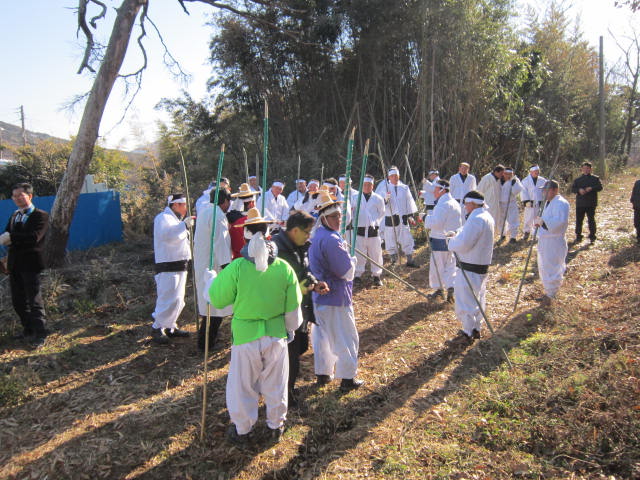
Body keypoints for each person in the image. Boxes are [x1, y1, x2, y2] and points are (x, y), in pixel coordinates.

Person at [208, 207, 302, 444]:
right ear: (268, 233)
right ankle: (275, 426)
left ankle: (242, 429)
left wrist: (210, 281)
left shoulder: (237, 268)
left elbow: (217, 299)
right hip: (275, 335)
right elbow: (294, 312)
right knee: (276, 383)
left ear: (246, 234)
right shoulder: (283, 268)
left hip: (245, 336)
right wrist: (289, 329)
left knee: (242, 385)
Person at [272, 211, 330, 407]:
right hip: (284, 312)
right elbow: (280, 284)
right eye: (306, 232)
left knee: (301, 346)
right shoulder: (277, 251)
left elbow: (305, 271)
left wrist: (314, 283)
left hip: (300, 307)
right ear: (294, 230)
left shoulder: (299, 246)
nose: (308, 236)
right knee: (291, 351)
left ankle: (286, 387)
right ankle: (286, 393)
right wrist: (302, 288)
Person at [308, 191, 364, 391]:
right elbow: (346, 272)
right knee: (346, 336)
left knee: (322, 336)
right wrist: (353, 261)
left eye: (340, 215)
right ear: (324, 218)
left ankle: (323, 373)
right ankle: (347, 378)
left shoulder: (318, 236)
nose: (339, 219)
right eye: (334, 216)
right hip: (336, 296)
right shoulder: (332, 239)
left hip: (319, 296)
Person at [0, 183, 49, 347]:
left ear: (30, 196)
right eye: (14, 196)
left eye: (21, 195)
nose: (17, 199)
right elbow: (8, 233)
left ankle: (40, 333)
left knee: (34, 299)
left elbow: (34, 237)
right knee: (18, 300)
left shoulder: (40, 216)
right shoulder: (15, 215)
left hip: (30, 263)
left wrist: (12, 237)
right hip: (14, 264)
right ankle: (28, 329)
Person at [447, 190, 495, 344]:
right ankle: (476, 328)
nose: (465, 207)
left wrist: (451, 242)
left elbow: (465, 243)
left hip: (470, 266)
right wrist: (456, 232)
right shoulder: (485, 216)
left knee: (465, 300)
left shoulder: (477, 219)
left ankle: (467, 332)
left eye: (467, 204)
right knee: (478, 299)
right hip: (480, 266)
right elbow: (467, 232)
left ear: (472, 204)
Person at [150, 193, 194, 345]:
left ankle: (170, 326)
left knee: (178, 300)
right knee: (167, 298)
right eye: (184, 205)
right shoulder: (162, 218)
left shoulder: (176, 220)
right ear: (175, 205)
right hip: (168, 266)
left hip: (180, 265)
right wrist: (184, 225)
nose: (186, 208)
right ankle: (157, 327)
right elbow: (168, 235)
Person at [193, 188, 233, 351]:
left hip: (204, 264)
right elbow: (220, 242)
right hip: (213, 266)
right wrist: (227, 268)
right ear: (225, 201)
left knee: (212, 305)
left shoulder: (204, 211)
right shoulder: (217, 216)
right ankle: (206, 344)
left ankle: (206, 341)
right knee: (215, 306)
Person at [424, 179, 462, 303]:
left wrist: (425, 218)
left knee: (437, 266)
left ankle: (438, 290)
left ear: (442, 190)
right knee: (450, 266)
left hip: (440, 239)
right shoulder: (454, 203)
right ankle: (451, 288)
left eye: (436, 189)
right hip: (452, 240)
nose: (434, 192)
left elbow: (436, 223)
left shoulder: (443, 204)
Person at [374, 166, 419, 267]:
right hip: (390, 218)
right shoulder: (384, 188)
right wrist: (385, 199)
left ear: (399, 176)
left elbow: (409, 202)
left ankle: (410, 259)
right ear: (389, 177)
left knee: (407, 238)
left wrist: (410, 215)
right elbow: (379, 203)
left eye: (396, 176)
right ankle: (394, 259)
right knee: (390, 238)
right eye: (392, 176)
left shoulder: (404, 188)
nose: (395, 178)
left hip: (403, 218)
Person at [534, 180, 569, 305]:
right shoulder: (547, 203)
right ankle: (548, 291)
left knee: (553, 266)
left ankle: (552, 293)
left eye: (546, 190)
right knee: (544, 265)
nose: (544, 193)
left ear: (555, 190)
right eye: (543, 190)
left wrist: (543, 221)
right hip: (545, 239)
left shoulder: (561, 203)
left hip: (554, 240)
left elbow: (560, 222)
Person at [352, 174, 386, 287]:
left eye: (369, 185)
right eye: (365, 185)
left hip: (373, 231)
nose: (367, 187)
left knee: (376, 254)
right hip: (359, 230)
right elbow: (351, 211)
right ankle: (357, 275)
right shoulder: (355, 197)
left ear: (373, 186)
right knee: (359, 254)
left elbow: (382, 213)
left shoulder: (378, 198)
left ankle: (376, 275)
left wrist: (375, 223)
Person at [571, 161, 603, 243]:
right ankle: (578, 235)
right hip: (580, 203)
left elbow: (600, 187)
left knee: (591, 220)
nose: (586, 170)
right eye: (584, 168)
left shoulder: (595, 178)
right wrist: (579, 190)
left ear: (591, 169)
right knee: (579, 220)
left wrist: (591, 188)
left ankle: (592, 235)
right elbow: (573, 189)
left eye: (587, 168)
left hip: (591, 203)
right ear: (581, 169)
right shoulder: (578, 180)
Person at [227, 183, 260, 259]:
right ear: (251, 203)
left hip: (236, 260)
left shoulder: (231, 220)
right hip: (250, 259)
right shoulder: (251, 221)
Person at [520, 165, 547, 241]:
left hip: (540, 202)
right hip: (530, 203)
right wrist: (526, 201)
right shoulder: (525, 181)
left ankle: (536, 233)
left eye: (538, 171)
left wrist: (544, 199)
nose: (537, 173)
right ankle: (526, 232)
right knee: (528, 218)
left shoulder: (543, 180)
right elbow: (523, 191)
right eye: (535, 172)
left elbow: (545, 190)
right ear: (531, 172)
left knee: (538, 218)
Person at [497, 167, 523, 243]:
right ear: (503, 174)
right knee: (501, 220)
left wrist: (514, 184)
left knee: (513, 220)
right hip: (500, 203)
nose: (508, 176)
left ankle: (513, 236)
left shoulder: (515, 180)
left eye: (510, 174)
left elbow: (516, 191)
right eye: (506, 174)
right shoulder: (499, 180)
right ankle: (502, 234)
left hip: (510, 203)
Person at [631, 178, 640, 242]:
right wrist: (632, 200)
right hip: (637, 206)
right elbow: (634, 193)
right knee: (637, 222)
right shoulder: (637, 182)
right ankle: (638, 237)